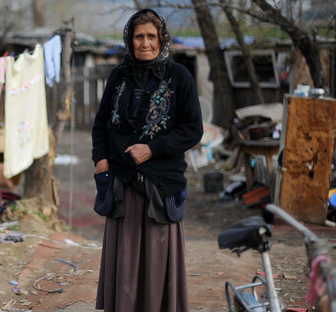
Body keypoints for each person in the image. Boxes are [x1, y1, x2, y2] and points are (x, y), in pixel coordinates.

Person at [92, 8, 203, 312]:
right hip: (122, 183)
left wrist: (152, 149)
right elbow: (101, 123)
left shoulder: (178, 77)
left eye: (151, 36)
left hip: (161, 184)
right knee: (125, 259)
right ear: (130, 40)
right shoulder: (118, 77)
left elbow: (193, 130)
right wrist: (100, 160)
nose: (145, 43)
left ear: (161, 39)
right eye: (139, 36)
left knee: (157, 258)